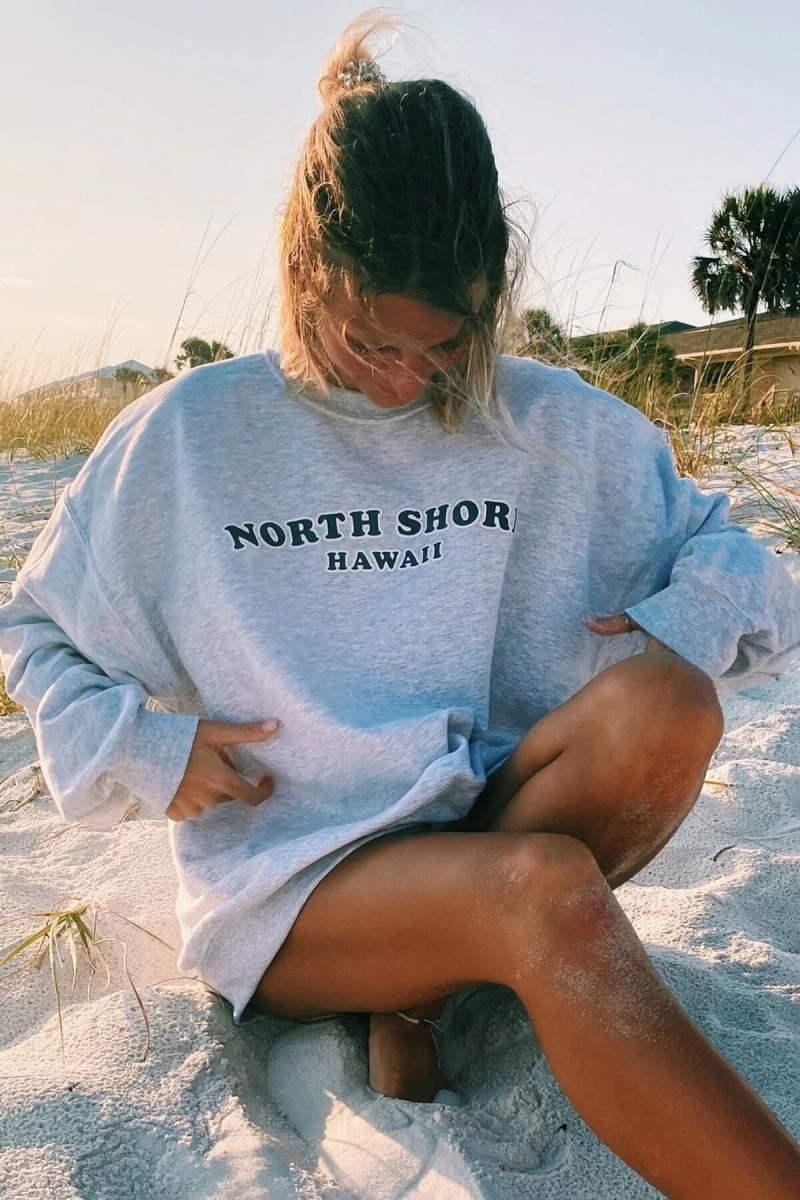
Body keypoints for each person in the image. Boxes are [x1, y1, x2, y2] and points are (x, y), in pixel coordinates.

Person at [1, 11, 799, 1197]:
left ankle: (417, 993)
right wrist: (145, 748)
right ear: (303, 273)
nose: (404, 379)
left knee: (669, 702)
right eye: (370, 341)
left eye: (445, 345)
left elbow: (752, 573)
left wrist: (666, 625)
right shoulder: (188, 437)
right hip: (297, 889)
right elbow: (33, 631)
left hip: (486, 828)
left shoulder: (551, 424)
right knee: (546, 897)